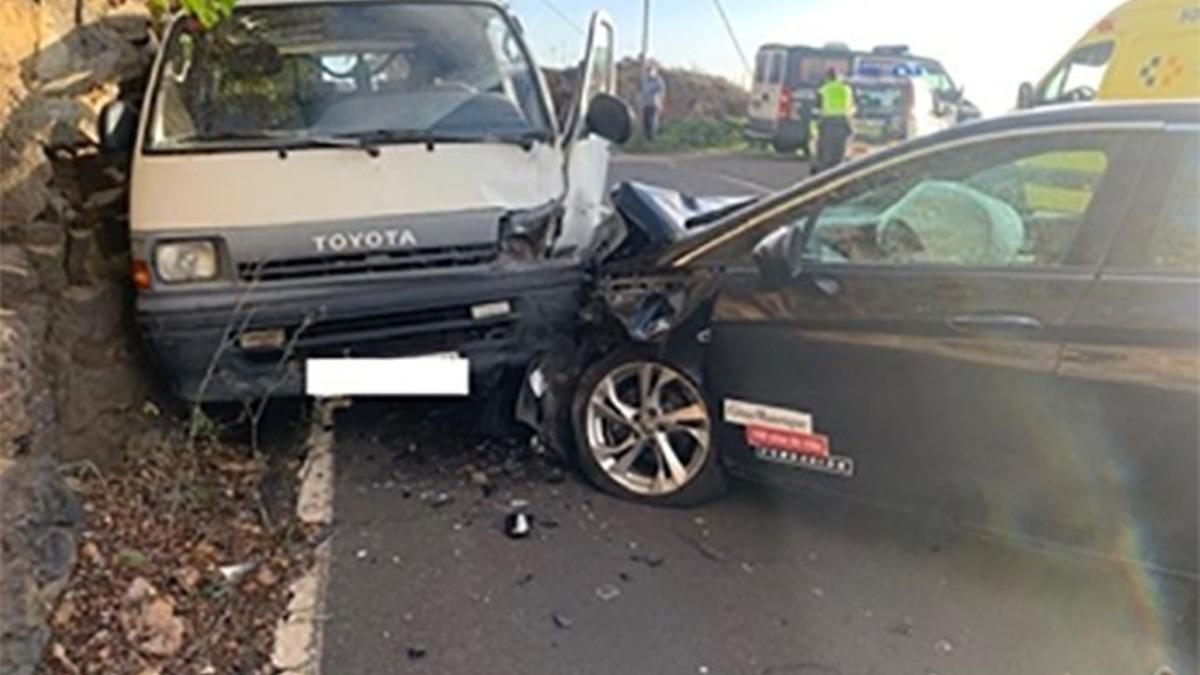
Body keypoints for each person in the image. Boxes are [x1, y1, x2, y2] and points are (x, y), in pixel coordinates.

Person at [815, 67, 854, 173]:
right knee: (841, 150)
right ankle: (840, 170)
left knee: (825, 150)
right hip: (844, 121)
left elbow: (818, 107)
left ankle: (823, 171)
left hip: (828, 122)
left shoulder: (824, 89)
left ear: (827, 77)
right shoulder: (847, 88)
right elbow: (852, 105)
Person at [641, 64, 665, 142]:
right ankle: (647, 140)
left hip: (655, 104)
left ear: (655, 72)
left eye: (651, 71)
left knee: (653, 122)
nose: (649, 73)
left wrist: (661, 104)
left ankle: (653, 140)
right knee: (646, 123)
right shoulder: (645, 80)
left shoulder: (658, 81)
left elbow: (662, 92)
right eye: (648, 71)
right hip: (646, 104)